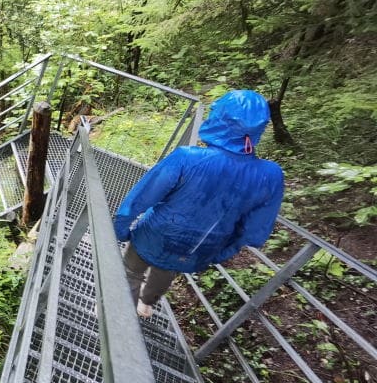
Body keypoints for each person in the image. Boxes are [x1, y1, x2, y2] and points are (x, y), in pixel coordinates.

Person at [114, 90, 285, 318]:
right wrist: (220, 253)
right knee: (167, 268)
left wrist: (121, 227)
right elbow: (255, 232)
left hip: (156, 233)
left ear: (220, 118)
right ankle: (146, 304)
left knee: (131, 271)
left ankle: (119, 318)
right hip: (198, 249)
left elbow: (144, 196)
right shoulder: (271, 176)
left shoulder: (188, 157)